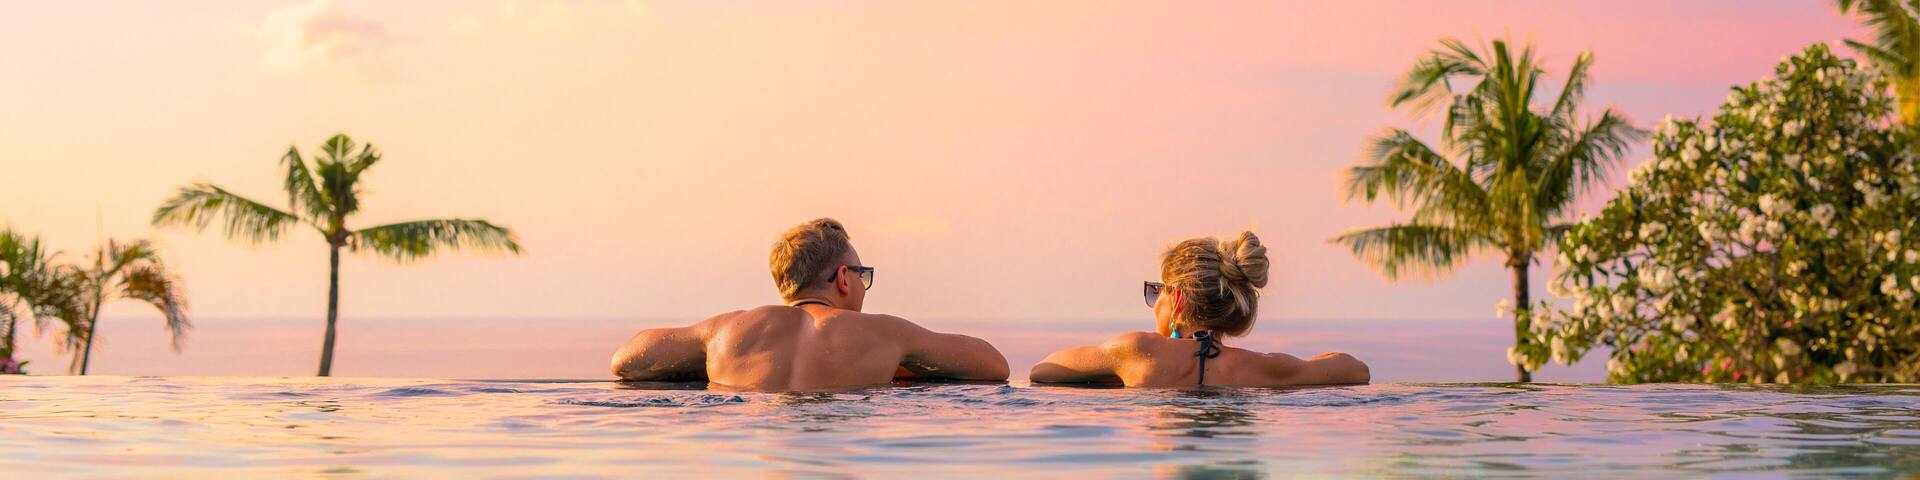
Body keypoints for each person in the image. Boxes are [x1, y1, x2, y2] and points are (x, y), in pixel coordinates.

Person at [611, 218, 1009, 391]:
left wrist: (708, 360)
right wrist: (906, 361)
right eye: (862, 275)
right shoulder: (883, 333)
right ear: (841, 277)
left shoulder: (725, 331)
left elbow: (626, 360)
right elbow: (994, 365)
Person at [1030, 231, 1369, 387]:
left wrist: (1112, 375)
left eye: (1156, 292)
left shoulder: (1136, 352)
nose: (1154, 304)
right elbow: (1356, 370)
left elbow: (1044, 370)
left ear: (1176, 298)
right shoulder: (1264, 368)